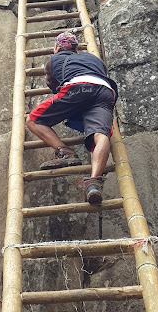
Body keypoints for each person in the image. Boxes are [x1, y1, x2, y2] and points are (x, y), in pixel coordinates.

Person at [26, 32, 118, 204]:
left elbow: (52, 84)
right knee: (101, 136)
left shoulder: (53, 61)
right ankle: (93, 182)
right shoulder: (94, 59)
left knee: (33, 120)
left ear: (57, 47)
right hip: (106, 91)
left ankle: (65, 152)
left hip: (78, 88)